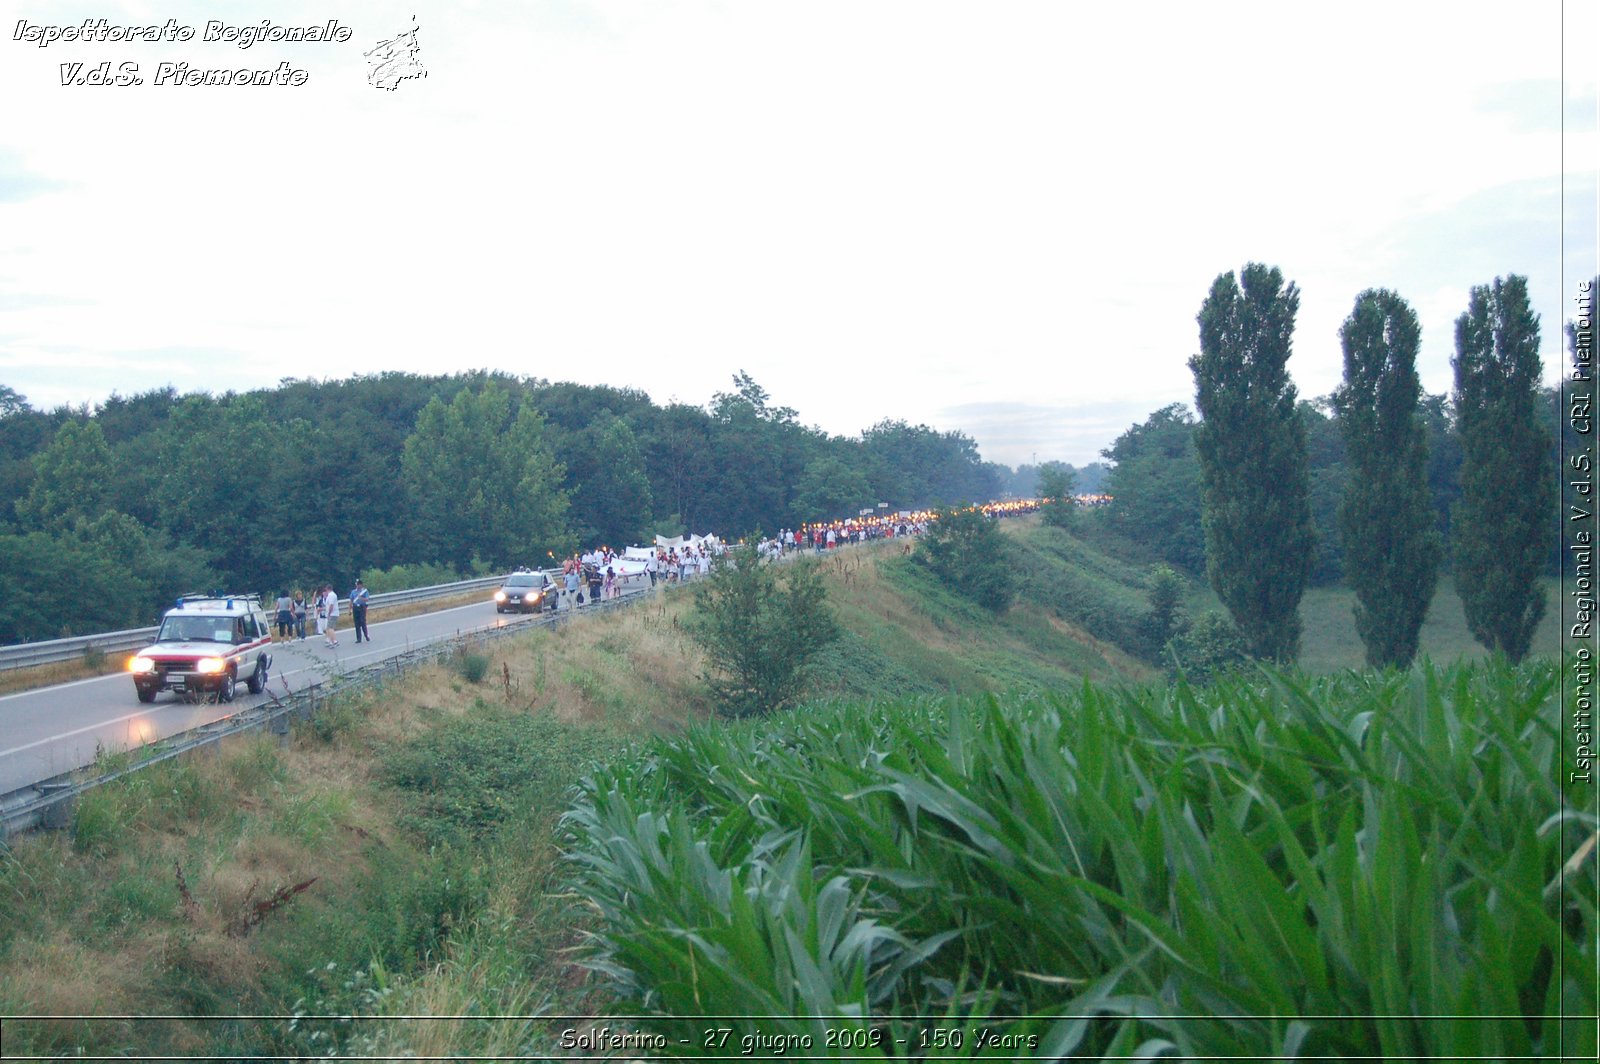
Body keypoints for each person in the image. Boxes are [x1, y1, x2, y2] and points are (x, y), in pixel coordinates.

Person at [350, 578, 371, 643]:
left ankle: (366, 635)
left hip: (362, 607)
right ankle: (359, 638)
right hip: (355, 607)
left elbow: (367, 599)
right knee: (357, 623)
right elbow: (351, 600)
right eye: (357, 584)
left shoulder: (364, 591)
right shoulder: (353, 592)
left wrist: (361, 598)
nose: (358, 586)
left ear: (361, 585)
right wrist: (350, 609)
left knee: (362, 622)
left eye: (359, 584)